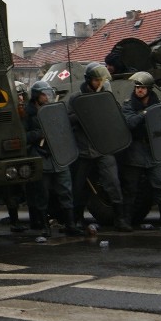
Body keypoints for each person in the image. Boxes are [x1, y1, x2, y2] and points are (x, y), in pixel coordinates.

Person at [67, 62, 132, 232]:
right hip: (83, 149)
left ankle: (120, 219)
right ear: (89, 80)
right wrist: (83, 114)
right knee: (79, 186)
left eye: (100, 80)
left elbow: (116, 115)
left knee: (113, 182)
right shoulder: (76, 98)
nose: (99, 83)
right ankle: (77, 219)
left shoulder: (106, 96)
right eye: (96, 80)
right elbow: (67, 120)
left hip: (104, 147)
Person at [23, 81, 83, 236]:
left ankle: (70, 224)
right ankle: (44, 226)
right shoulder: (28, 114)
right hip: (41, 156)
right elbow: (23, 137)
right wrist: (39, 133)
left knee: (65, 191)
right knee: (42, 193)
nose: (47, 97)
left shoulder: (55, 110)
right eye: (44, 94)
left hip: (58, 156)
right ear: (37, 96)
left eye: (48, 94)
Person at [120, 72, 161, 229]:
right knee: (131, 188)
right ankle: (126, 220)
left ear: (149, 89)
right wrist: (144, 114)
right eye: (137, 87)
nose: (139, 90)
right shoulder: (129, 104)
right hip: (135, 151)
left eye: (142, 88)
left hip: (154, 150)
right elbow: (130, 122)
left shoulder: (158, 104)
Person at [3, 80, 29, 232]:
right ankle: (14, 220)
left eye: (21, 95)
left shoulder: (26, 112)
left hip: (24, 153)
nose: (20, 99)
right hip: (11, 156)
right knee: (10, 191)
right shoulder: (7, 113)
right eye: (17, 96)